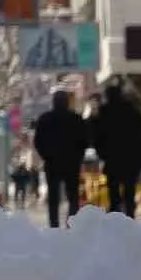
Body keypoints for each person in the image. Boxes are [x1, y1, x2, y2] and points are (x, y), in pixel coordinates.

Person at [92, 81, 141, 218]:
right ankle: (129, 217)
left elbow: (96, 137)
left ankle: (115, 218)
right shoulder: (133, 111)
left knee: (113, 193)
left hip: (112, 160)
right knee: (129, 192)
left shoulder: (103, 113)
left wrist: (102, 154)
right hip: (131, 160)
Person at [34, 90, 90, 228]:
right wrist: (78, 156)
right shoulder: (76, 119)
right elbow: (85, 140)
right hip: (72, 163)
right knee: (73, 196)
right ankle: (71, 225)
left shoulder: (45, 119)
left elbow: (38, 141)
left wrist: (46, 156)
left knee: (53, 197)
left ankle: (54, 226)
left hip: (52, 163)